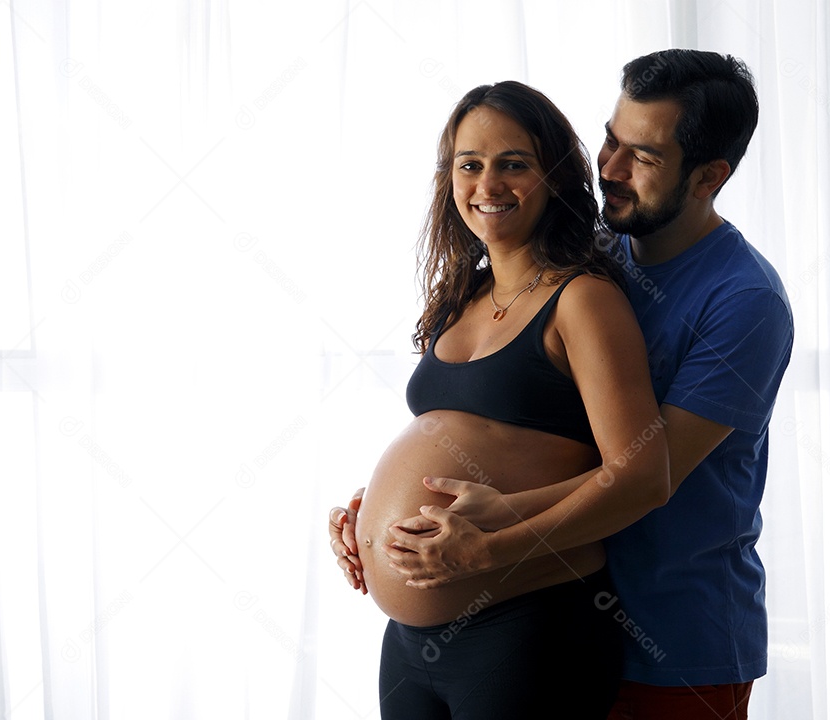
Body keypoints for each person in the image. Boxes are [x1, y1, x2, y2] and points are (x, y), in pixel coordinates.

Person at [332, 51, 793, 720]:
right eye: (610, 139)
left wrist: (493, 530)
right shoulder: (589, 255)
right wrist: (387, 512)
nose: (608, 166)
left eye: (643, 156)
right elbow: (521, 427)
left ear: (708, 176)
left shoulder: (744, 301)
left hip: (672, 638)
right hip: (524, 605)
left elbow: (648, 476)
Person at [328, 80, 670, 718]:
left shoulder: (583, 301)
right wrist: (369, 515)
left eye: (514, 164)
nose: (487, 184)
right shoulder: (459, 296)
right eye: (470, 164)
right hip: (411, 645)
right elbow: (464, 439)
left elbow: (643, 477)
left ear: (557, 179)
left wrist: (489, 547)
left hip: (528, 631)